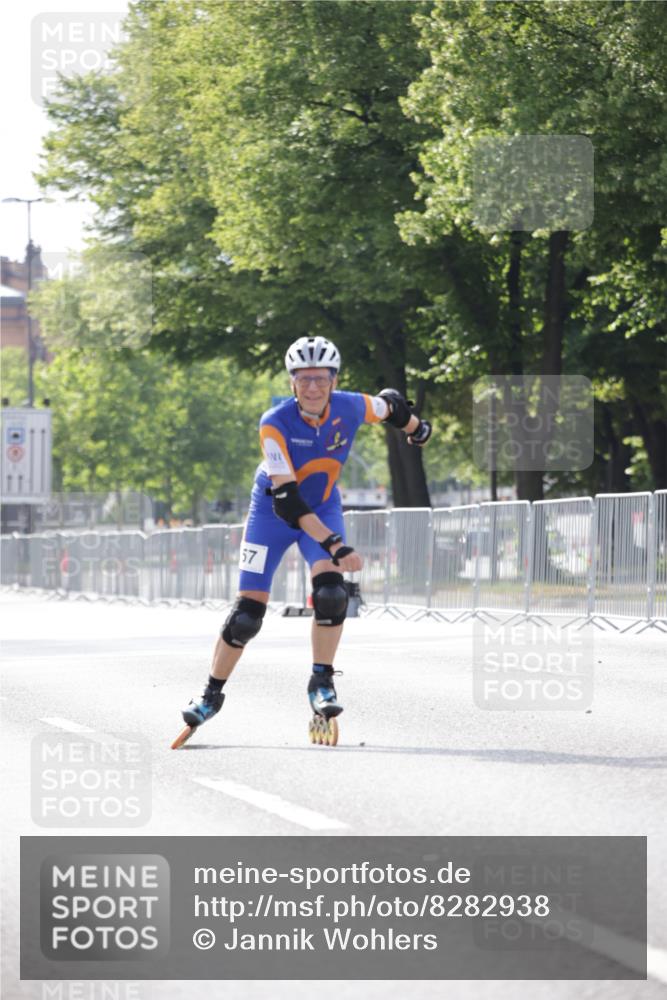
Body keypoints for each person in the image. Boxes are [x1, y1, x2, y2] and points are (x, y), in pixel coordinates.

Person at [173, 336, 431, 747]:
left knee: (331, 595)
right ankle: (210, 696)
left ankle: (322, 682)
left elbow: (392, 405)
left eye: (321, 379)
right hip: (272, 513)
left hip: (324, 505)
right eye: (304, 379)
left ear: (334, 380)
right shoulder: (273, 422)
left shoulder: (351, 405)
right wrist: (336, 545)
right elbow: (288, 501)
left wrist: (418, 429)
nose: (313, 388)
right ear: (292, 383)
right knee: (247, 616)